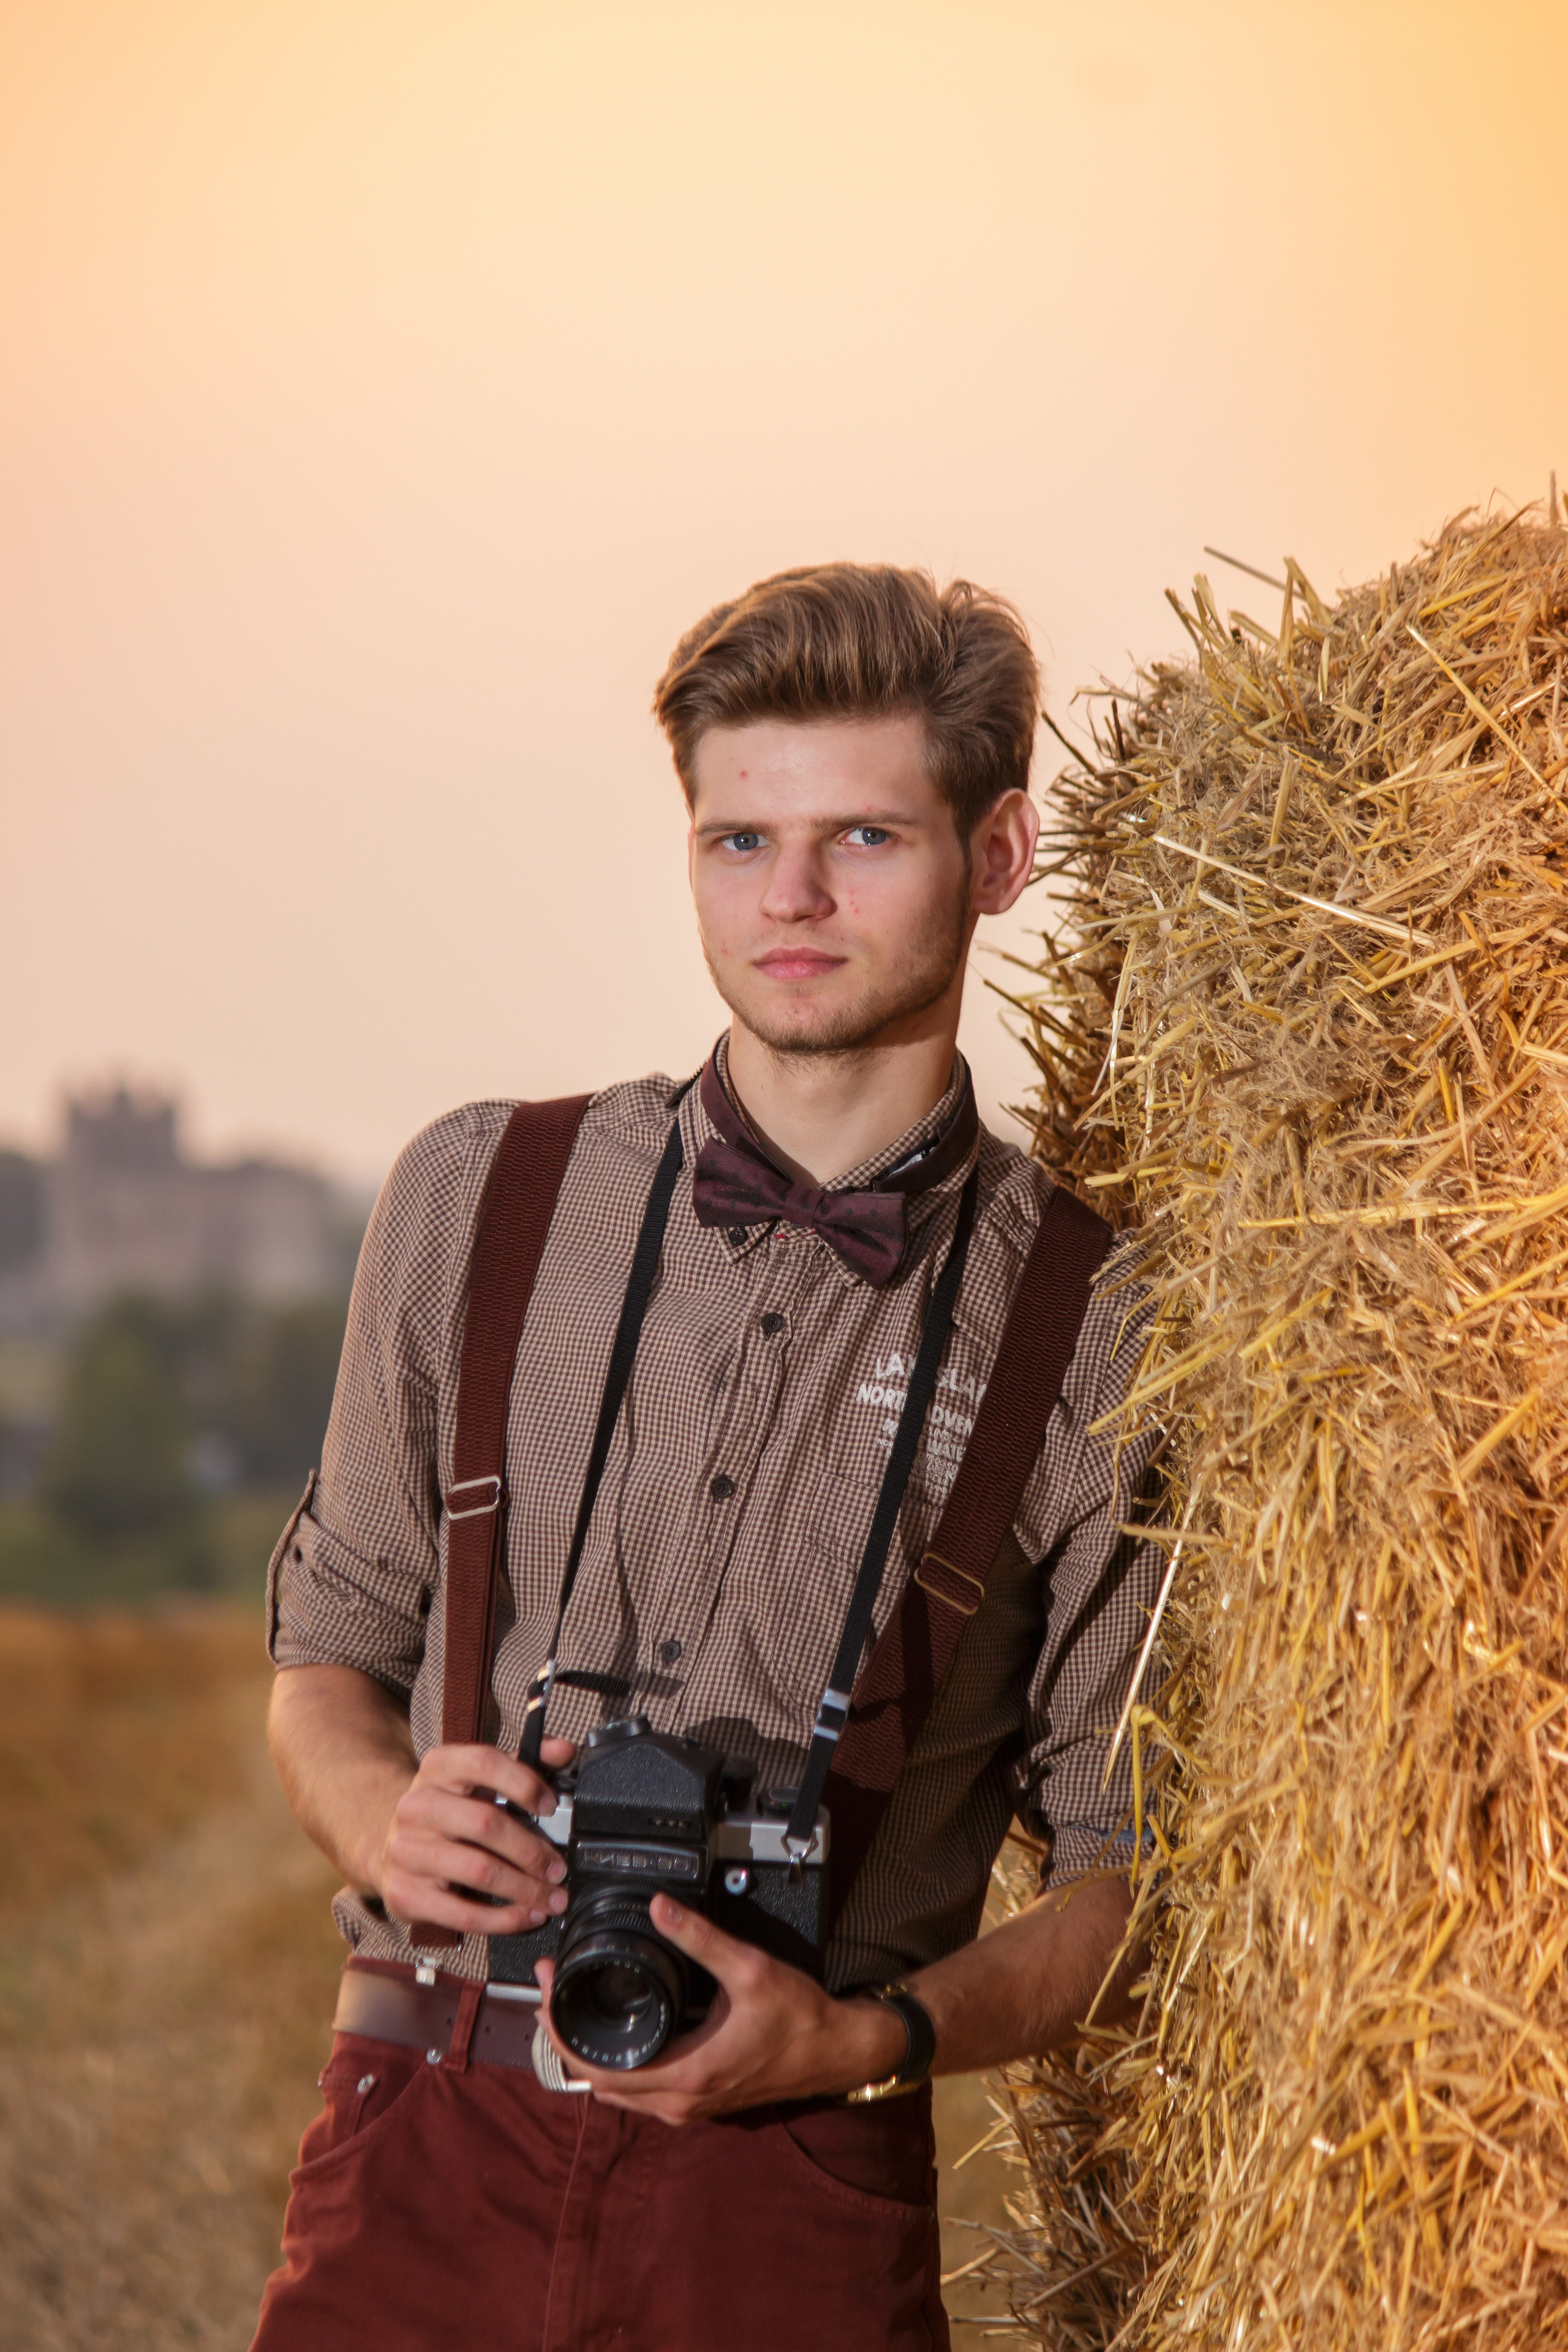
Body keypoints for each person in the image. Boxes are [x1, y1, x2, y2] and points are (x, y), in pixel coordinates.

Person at [252, 564, 1164, 2352]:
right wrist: (379, 1810)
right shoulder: (477, 1192)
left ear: (999, 856)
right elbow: (328, 1651)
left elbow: (1124, 1874)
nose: (793, 898)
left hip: (797, 2185)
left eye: (864, 840)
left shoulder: (1104, 1318)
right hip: (424, 2112)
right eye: (739, 842)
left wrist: (869, 2040)